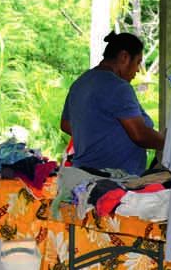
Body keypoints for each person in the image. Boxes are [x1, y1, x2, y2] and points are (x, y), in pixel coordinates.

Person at [61, 31, 163, 177]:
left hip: (83, 176)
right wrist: (169, 144)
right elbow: (139, 135)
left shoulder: (81, 82)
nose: (137, 70)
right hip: (113, 180)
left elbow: (66, 124)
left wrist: (98, 135)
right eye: (137, 62)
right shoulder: (118, 87)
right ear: (124, 57)